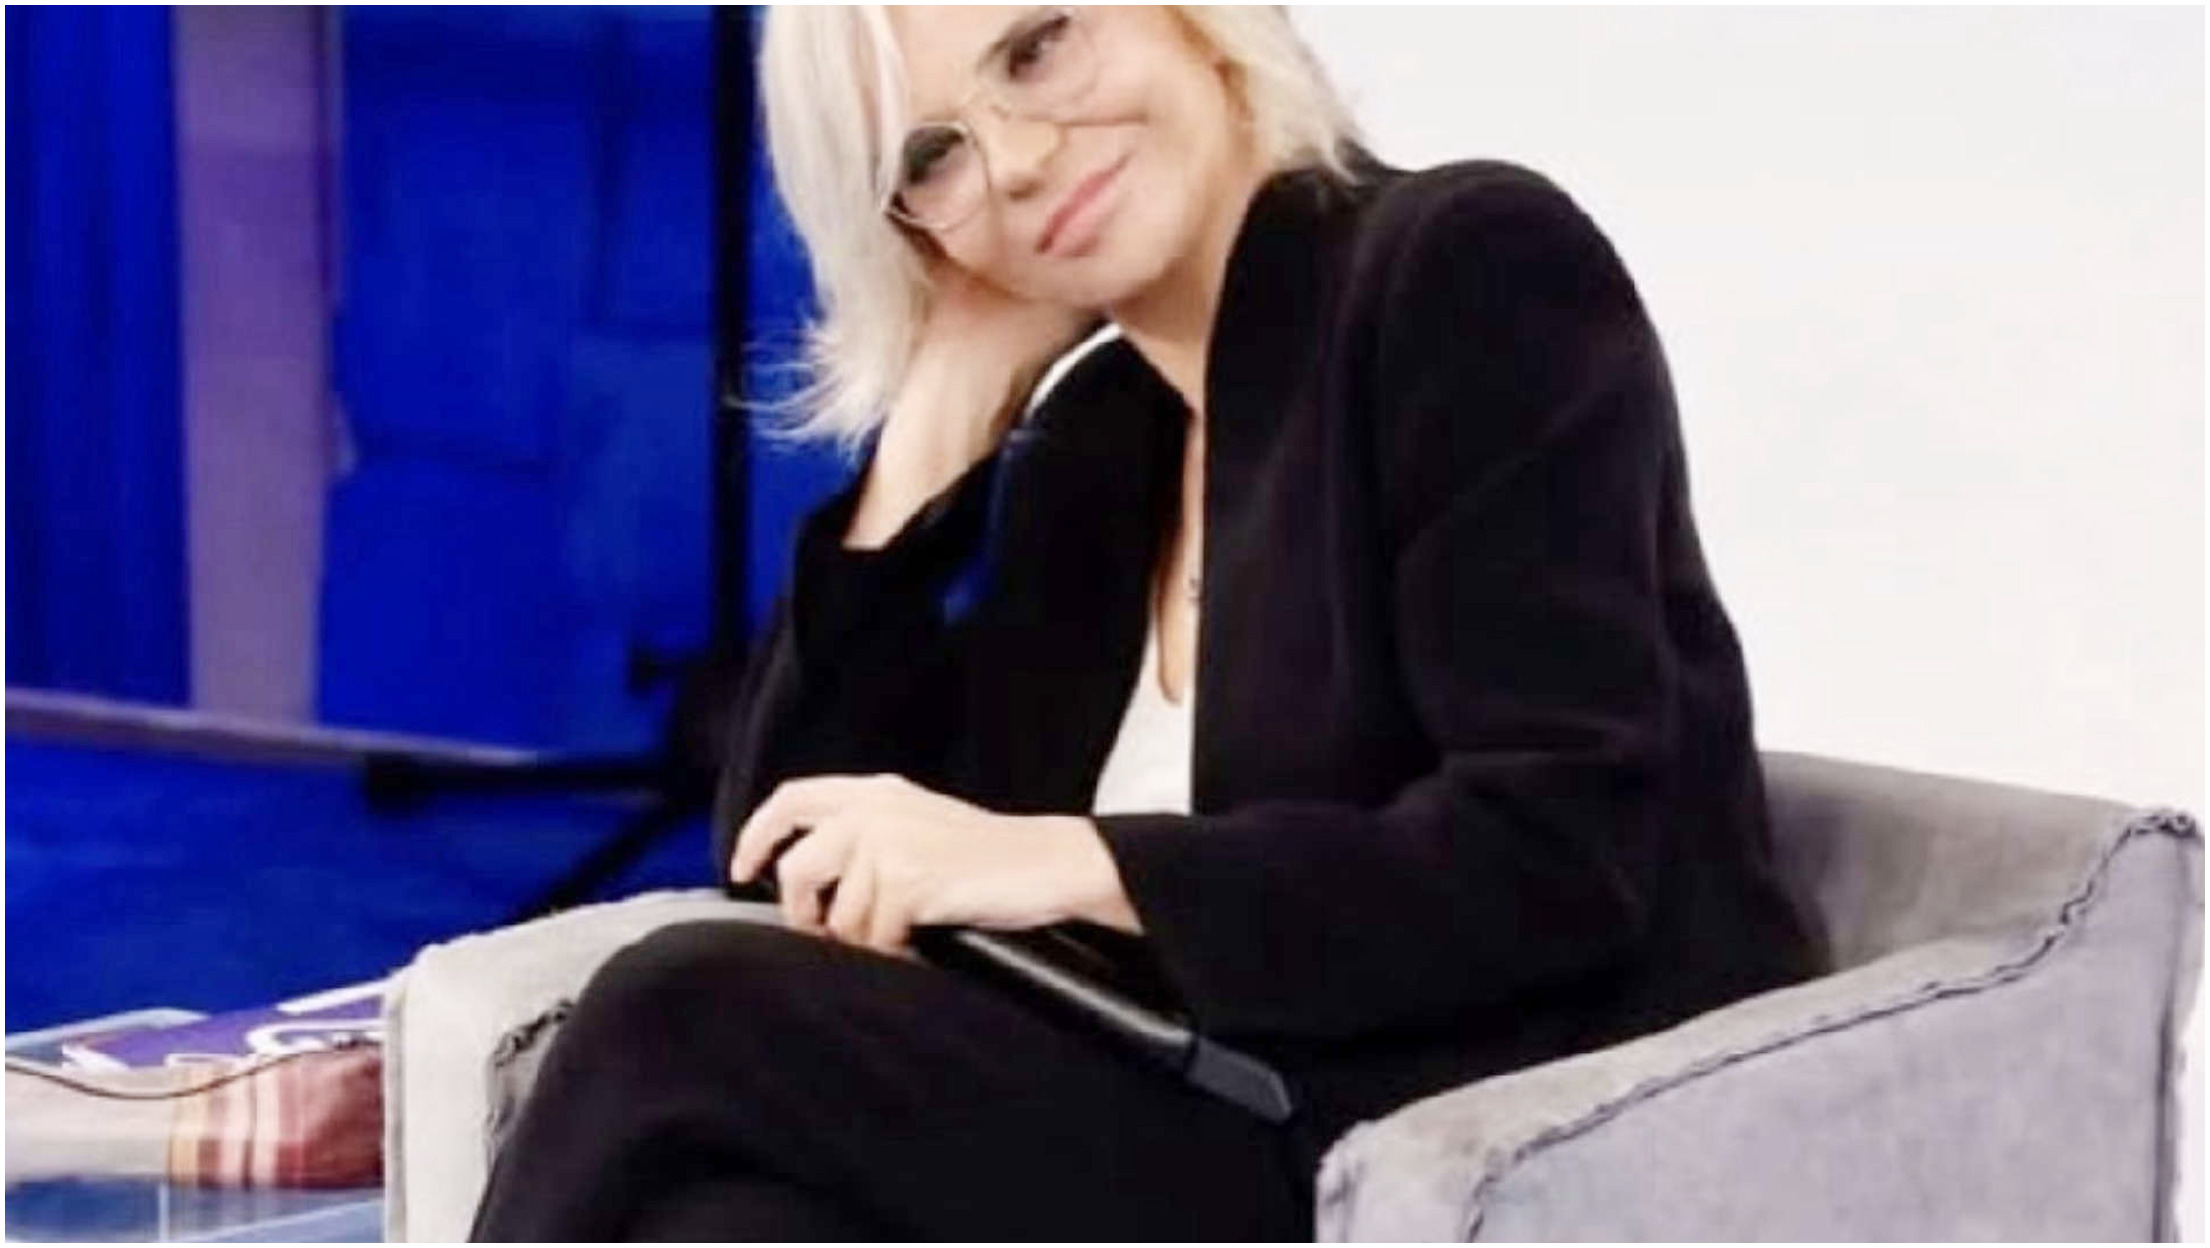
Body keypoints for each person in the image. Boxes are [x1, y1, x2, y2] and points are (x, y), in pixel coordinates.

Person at [470, 6, 1829, 1240]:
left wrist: (1063, 861)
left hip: (1446, 1121)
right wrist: (935, 431)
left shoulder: (1461, 267)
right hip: (1188, 1105)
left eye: (1037, 46)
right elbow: (786, 854)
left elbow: (1558, 857)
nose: (1014, 162)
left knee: (673, 1004)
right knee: (724, 1224)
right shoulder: (1104, 440)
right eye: (932, 156)